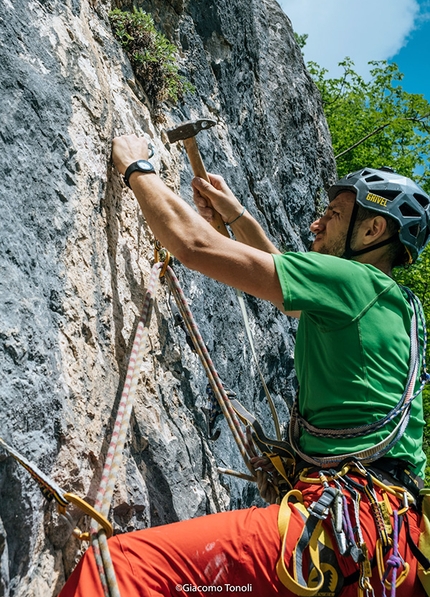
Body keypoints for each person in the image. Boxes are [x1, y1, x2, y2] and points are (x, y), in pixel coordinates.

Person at [60, 134, 430, 597]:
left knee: (118, 568)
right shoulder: (398, 307)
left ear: (373, 230)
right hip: (392, 552)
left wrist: (136, 167)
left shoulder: (353, 280)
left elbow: (192, 245)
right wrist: (236, 216)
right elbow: (294, 298)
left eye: (333, 215)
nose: (316, 224)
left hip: (337, 526)